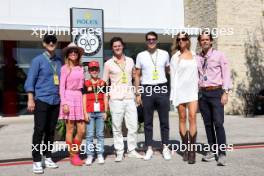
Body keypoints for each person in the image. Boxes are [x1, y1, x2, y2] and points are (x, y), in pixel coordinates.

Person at [24, 34, 62, 174]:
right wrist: (30, 98)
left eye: (53, 41)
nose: (51, 43)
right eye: (48, 41)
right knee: (39, 131)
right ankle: (36, 160)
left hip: (56, 100)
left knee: (51, 131)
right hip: (42, 100)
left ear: (56, 44)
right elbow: (30, 81)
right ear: (44, 44)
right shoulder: (37, 60)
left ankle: (48, 156)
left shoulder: (59, 61)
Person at [103, 37, 143, 162]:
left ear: (123, 46)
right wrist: (106, 102)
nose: (117, 48)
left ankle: (131, 150)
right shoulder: (108, 64)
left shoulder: (131, 61)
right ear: (112, 48)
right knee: (117, 126)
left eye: (119, 45)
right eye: (115, 46)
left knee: (132, 126)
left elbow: (136, 77)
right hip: (115, 99)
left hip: (130, 97)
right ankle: (119, 151)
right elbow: (105, 84)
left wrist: (138, 93)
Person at [196, 31, 232, 166]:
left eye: (207, 39)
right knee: (207, 124)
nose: (204, 42)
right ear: (200, 42)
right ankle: (212, 150)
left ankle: (222, 153)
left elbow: (226, 74)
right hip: (203, 94)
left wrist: (226, 92)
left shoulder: (219, 55)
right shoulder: (198, 58)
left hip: (217, 92)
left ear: (211, 41)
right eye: (202, 40)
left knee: (218, 123)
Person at [135, 31, 171, 160]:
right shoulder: (141, 55)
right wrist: (138, 92)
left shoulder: (165, 54)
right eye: (149, 39)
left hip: (162, 88)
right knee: (148, 121)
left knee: (164, 121)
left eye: (153, 39)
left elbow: (168, 71)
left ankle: (165, 147)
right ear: (146, 41)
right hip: (147, 89)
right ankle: (149, 147)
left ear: (157, 40)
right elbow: (137, 75)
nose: (151, 41)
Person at [170, 32, 198, 164]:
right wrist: (173, 95)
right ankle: (185, 148)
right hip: (180, 91)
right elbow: (173, 78)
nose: (181, 40)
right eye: (179, 39)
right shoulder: (175, 57)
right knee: (182, 118)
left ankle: (192, 151)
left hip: (192, 91)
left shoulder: (194, 55)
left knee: (192, 117)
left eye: (183, 38)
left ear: (187, 40)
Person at [59, 42, 86, 166]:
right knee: (70, 129)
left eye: (75, 51)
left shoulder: (81, 68)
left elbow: (83, 87)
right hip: (68, 98)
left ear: (78, 54)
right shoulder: (64, 68)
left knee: (81, 129)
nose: (73, 53)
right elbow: (61, 88)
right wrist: (64, 103)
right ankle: (74, 155)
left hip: (79, 97)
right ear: (68, 54)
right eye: (71, 51)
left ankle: (74, 152)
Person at [83, 61, 107, 165]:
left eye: (96, 69)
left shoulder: (102, 83)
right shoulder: (86, 83)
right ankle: (89, 155)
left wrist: (106, 111)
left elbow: (105, 97)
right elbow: (84, 98)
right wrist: (85, 112)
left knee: (100, 134)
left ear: (99, 70)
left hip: (100, 112)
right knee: (89, 135)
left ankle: (100, 154)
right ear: (89, 71)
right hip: (90, 113)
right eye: (92, 69)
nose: (94, 71)